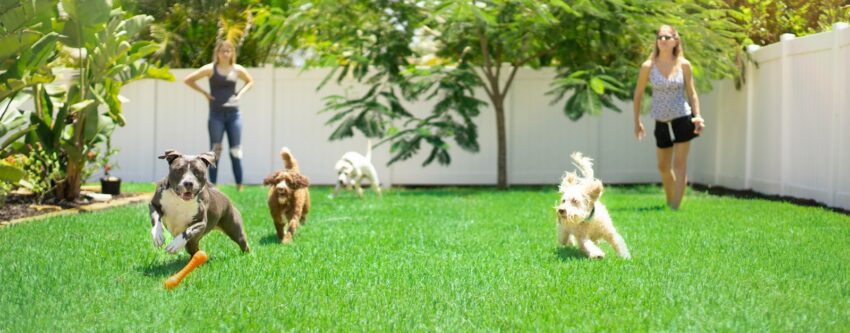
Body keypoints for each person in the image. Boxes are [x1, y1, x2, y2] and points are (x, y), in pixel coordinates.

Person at [633, 25, 706, 210]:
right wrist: (637, 121)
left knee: (679, 165)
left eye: (667, 37)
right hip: (661, 120)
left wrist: (697, 116)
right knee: (663, 167)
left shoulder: (684, 65)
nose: (663, 40)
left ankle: (675, 206)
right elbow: (638, 95)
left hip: (682, 117)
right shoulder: (648, 66)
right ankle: (670, 199)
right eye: (660, 37)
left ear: (675, 41)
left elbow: (692, 93)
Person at [184, 40, 254, 191]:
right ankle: (213, 186)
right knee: (215, 151)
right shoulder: (210, 69)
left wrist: (240, 94)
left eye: (229, 51)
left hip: (234, 115)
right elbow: (188, 80)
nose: (225, 53)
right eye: (223, 51)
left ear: (232, 53)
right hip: (216, 115)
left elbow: (250, 81)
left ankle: (239, 185)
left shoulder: (237, 69)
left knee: (236, 151)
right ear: (217, 53)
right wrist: (205, 94)